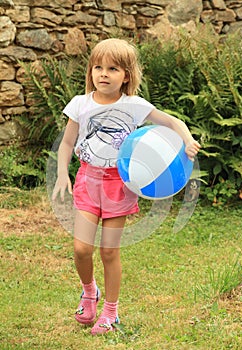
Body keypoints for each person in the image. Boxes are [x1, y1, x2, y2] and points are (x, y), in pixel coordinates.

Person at [52, 38, 201, 336]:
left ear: (127, 75)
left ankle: (111, 311)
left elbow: (172, 122)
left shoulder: (134, 106)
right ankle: (89, 291)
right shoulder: (80, 104)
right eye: (98, 67)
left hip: (119, 186)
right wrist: (61, 174)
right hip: (87, 180)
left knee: (109, 252)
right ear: (91, 71)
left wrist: (187, 140)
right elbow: (67, 142)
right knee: (81, 248)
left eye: (112, 68)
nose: (103, 73)